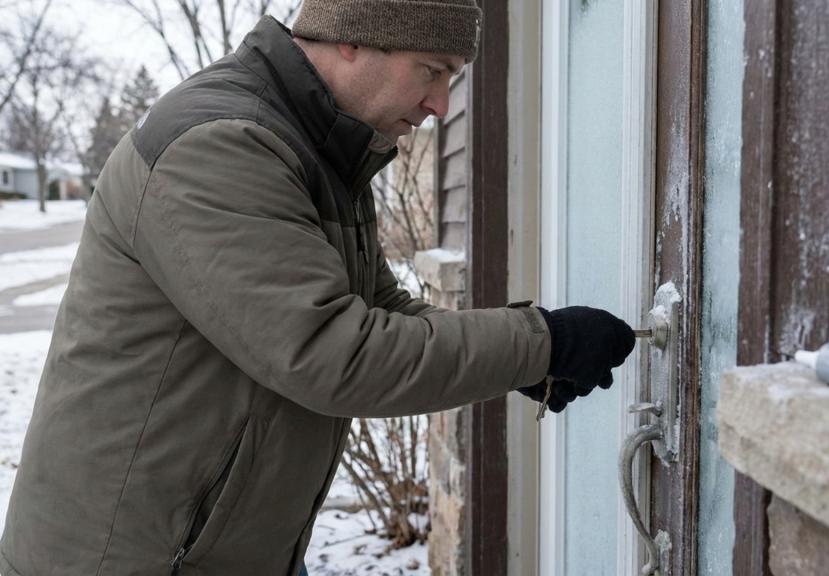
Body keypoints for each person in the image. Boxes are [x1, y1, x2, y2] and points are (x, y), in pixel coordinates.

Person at [0, 1, 635, 574]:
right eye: (432, 70)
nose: (442, 105)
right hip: (125, 555)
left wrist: (521, 358)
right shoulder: (224, 145)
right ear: (354, 41)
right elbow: (333, 354)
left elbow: (381, 307)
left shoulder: (317, 149)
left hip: (218, 542)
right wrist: (541, 343)